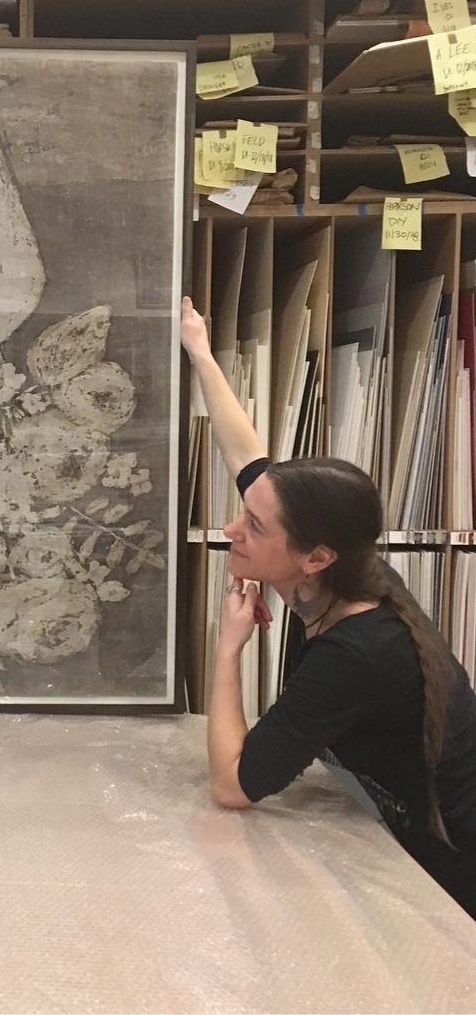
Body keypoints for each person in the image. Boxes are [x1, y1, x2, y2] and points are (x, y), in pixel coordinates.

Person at [180, 296, 476, 920]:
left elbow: (232, 784)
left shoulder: (356, 651)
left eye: (254, 527)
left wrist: (228, 648)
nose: (232, 531)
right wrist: (200, 352)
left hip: (446, 878)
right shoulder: (343, 574)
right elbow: (244, 453)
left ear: (314, 556)